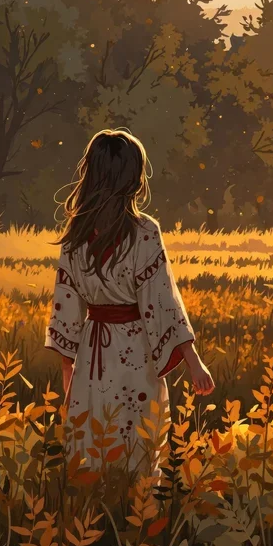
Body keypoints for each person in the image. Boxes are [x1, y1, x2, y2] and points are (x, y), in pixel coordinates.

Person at [45, 129, 214, 469]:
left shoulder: (73, 237)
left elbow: (66, 317)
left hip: (90, 359)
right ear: (134, 179)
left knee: (88, 448)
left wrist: (70, 388)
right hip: (137, 354)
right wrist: (194, 362)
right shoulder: (145, 231)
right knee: (138, 446)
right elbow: (164, 301)